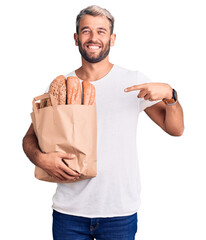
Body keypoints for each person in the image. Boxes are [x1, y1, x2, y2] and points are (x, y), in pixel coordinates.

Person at [22, 5, 184, 240]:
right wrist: (40, 158)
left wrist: (170, 94)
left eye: (101, 31)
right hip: (69, 212)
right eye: (86, 31)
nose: (93, 38)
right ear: (76, 38)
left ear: (112, 38)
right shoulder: (61, 85)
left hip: (119, 212)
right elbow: (30, 138)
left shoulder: (133, 81)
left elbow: (176, 129)